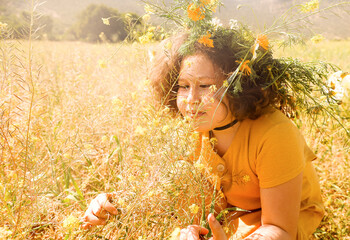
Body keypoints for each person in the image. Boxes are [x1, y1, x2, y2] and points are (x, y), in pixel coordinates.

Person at [82, 27, 325, 239]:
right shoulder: (190, 130)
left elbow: (279, 229)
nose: (190, 100)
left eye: (205, 86)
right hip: (227, 217)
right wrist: (114, 204)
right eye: (183, 86)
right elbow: (163, 193)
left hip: (280, 223)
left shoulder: (275, 134)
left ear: (239, 85)